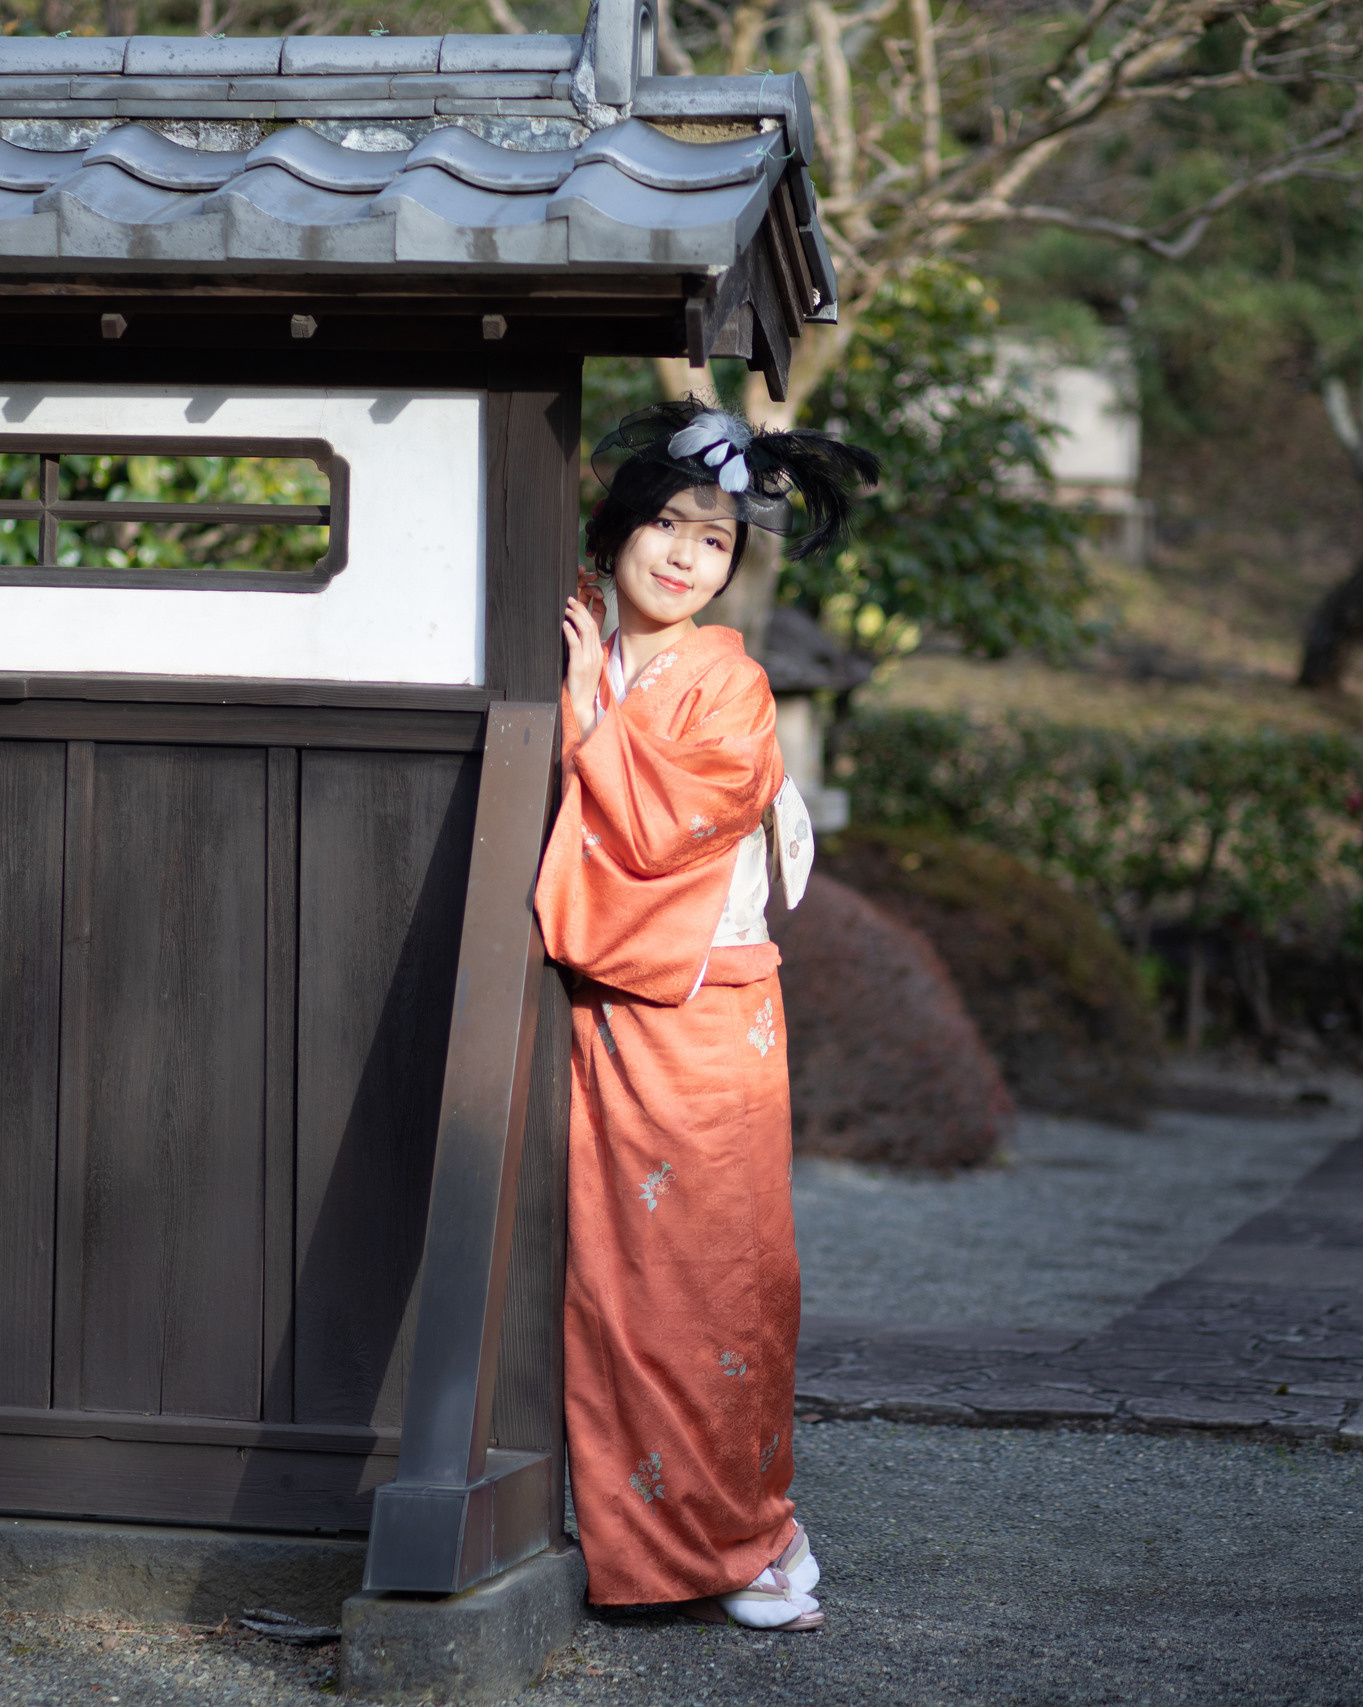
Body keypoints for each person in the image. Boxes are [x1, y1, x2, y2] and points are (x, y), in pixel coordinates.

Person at [534, 400, 879, 1632]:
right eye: (667, 527)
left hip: (706, 1016)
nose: (685, 557)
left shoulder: (727, 679)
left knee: (719, 1293)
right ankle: (641, 1553)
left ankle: (740, 1537)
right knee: (612, 1296)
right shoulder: (570, 640)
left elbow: (660, 831)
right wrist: (578, 694)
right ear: (620, 530)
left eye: (714, 543)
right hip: (602, 1020)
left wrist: (586, 718)